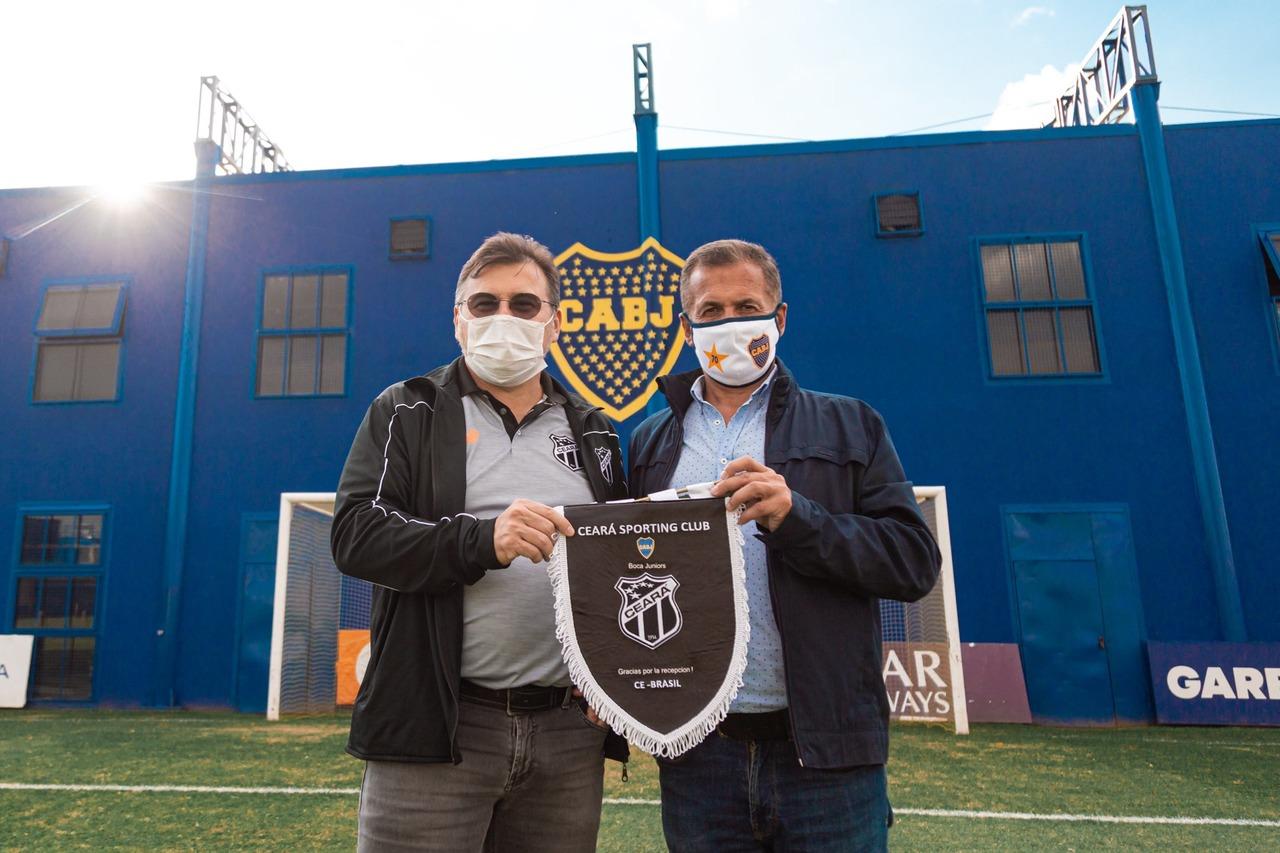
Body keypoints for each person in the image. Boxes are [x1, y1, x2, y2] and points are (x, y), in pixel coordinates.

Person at [628, 239, 941, 852]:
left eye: (747, 306)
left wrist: (800, 519)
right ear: (686, 327)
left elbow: (913, 562)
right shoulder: (649, 441)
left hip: (826, 753)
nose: (729, 322)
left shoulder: (850, 424)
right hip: (699, 756)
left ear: (780, 317)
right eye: (711, 311)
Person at [331, 232, 629, 852]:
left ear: (553, 324)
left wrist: (615, 675)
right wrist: (482, 540)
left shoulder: (595, 431)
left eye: (524, 304)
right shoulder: (407, 410)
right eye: (484, 303)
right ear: (458, 319)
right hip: (436, 727)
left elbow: (618, 568)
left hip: (567, 735)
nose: (503, 317)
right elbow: (356, 532)